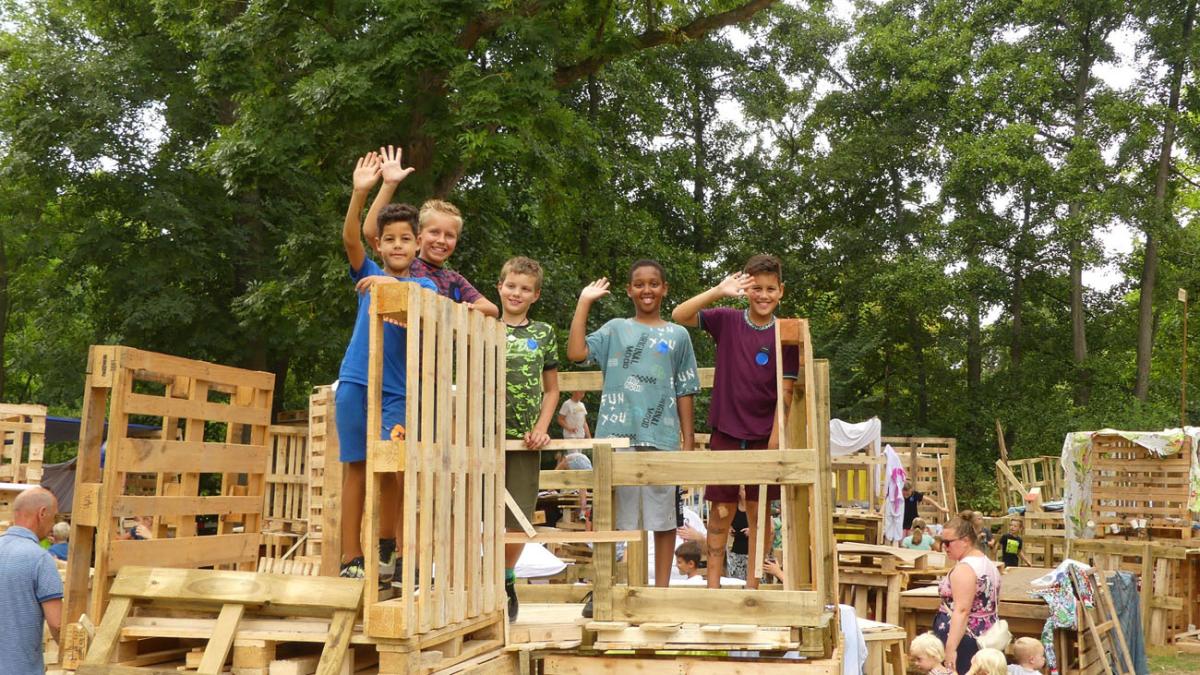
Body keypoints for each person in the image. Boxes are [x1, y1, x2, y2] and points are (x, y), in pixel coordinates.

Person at [335, 152, 437, 584]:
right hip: (356, 382)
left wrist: (388, 283)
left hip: (397, 390)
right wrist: (361, 193)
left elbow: (418, 300)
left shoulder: (425, 284)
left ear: (417, 245)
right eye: (389, 239)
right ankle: (350, 556)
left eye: (405, 239)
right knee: (356, 466)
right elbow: (351, 239)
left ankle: (391, 548)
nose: (397, 245)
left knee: (395, 468)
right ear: (380, 245)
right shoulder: (368, 271)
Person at [567, 260, 700, 588]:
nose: (646, 290)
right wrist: (584, 301)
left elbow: (685, 389)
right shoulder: (615, 329)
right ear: (629, 290)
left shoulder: (678, 335)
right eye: (639, 284)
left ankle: (662, 592)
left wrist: (688, 441)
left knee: (664, 518)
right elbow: (576, 352)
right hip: (616, 437)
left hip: (662, 437)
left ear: (665, 288)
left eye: (654, 283)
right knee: (611, 514)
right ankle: (605, 588)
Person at [671, 254, 798, 589]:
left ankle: (753, 588)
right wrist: (718, 290)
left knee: (758, 514)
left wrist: (775, 437)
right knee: (720, 513)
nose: (763, 295)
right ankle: (713, 587)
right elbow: (679, 314)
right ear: (746, 289)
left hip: (763, 435)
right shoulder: (727, 320)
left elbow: (786, 392)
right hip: (727, 430)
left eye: (770, 289)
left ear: (781, 291)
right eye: (757, 288)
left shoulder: (786, 333)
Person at [363, 147, 498, 318]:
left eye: (449, 235)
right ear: (418, 236)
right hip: (403, 334)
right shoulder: (405, 260)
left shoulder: (454, 279)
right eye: (434, 232)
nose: (441, 240)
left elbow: (492, 309)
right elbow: (370, 232)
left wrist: (468, 307)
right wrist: (389, 185)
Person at [497, 256, 559, 621]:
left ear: (535, 295)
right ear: (499, 287)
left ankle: (506, 580)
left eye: (525, 289)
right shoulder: (482, 326)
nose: (516, 293)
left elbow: (552, 390)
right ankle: (477, 582)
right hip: (483, 438)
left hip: (524, 440)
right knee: (474, 512)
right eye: (511, 286)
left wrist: (541, 427)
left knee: (518, 515)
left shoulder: (543, 333)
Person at [0, 488, 63, 675]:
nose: (53, 525)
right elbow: (57, 624)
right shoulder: (40, 559)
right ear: (42, 513)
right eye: (54, 517)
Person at [934, 511, 1001, 674]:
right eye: (942, 542)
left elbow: (962, 611)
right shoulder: (987, 564)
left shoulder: (965, 568)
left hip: (963, 640)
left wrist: (950, 650)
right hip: (984, 635)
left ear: (965, 541)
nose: (944, 547)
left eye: (948, 543)